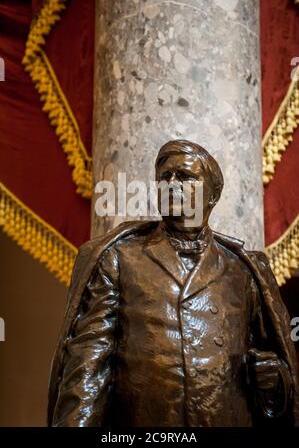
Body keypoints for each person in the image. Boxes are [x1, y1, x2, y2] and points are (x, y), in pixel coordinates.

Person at [48, 140, 299, 427]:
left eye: (186, 177)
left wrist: (274, 382)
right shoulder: (120, 259)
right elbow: (88, 366)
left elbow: (273, 369)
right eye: (165, 177)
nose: (172, 184)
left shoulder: (243, 271)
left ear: (213, 194)